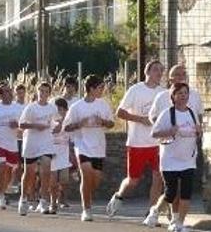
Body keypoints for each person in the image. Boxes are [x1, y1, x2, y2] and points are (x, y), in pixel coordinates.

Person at [107, 60, 166, 218]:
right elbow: (120, 112)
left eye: (161, 70)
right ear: (147, 72)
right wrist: (141, 119)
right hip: (137, 143)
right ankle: (119, 196)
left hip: (157, 143)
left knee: (158, 177)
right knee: (133, 180)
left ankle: (151, 212)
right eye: (155, 70)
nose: (159, 73)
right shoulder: (135, 90)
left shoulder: (164, 93)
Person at [148, 82, 201, 232]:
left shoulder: (191, 113)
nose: (183, 96)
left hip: (188, 159)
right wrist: (169, 131)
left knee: (186, 193)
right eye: (179, 93)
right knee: (170, 193)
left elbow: (197, 132)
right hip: (170, 159)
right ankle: (155, 210)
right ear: (173, 96)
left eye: (185, 93)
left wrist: (199, 131)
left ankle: (179, 225)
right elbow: (154, 133)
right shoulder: (167, 114)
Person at [62, 75, 115, 222]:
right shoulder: (77, 107)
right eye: (100, 88)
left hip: (98, 146)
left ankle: (87, 196)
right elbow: (66, 127)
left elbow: (111, 124)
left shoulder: (103, 104)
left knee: (95, 179)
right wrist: (80, 123)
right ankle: (86, 210)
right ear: (91, 88)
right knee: (86, 175)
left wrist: (102, 121)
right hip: (82, 145)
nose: (102, 90)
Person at [18, 82, 58, 215]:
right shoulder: (31, 108)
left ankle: (43, 201)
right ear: (37, 92)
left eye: (46, 91)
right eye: (41, 91)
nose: (43, 93)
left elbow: (56, 122)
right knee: (29, 173)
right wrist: (35, 126)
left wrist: (57, 126)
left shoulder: (52, 108)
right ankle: (23, 199)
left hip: (46, 143)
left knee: (46, 171)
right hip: (31, 143)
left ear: (49, 93)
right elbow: (21, 124)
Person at [48, 96, 75, 214]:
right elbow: (48, 134)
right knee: (53, 181)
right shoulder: (50, 121)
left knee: (64, 180)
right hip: (52, 152)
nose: (61, 112)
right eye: (58, 109)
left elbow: (70, 139)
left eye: (63, 109)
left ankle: (61, 197)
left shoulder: (69, 123)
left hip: (64, 153)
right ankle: (52, 203)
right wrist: (57, 125)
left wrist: (71, 153)